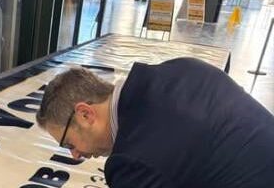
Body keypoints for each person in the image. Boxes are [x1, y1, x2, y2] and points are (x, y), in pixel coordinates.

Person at [35, 60, 274, 186]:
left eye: (69, 143)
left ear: (85, 114)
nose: (75, 155)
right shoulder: (179, 69)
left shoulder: (132, 162)